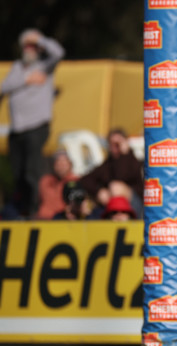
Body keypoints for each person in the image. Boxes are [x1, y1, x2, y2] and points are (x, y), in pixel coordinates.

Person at [1, 29, 65, 217]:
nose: (30, 49)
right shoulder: (17, 69)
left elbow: (59, 53)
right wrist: (26, 79)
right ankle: (21, 209)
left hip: (36, 126)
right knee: (18, 173)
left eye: (34, 46)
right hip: (17, 128)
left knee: (32, 171)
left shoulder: (45, 66)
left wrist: (40, 38)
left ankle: (35, 210)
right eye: (27, 45)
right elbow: (3, 87)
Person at [78, 128, 144, 218]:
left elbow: (121, 176)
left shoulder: (135, 162)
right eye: (112, 144)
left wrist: (124, 154)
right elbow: (85, 180)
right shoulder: (107, 165)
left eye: (118, 143)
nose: (116, 147)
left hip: (135, 205)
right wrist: (99, 191)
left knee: (116, 187)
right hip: (110, 205)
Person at [36, 149, 78, 219]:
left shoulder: (75, 181)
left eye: (64, 163)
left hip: (63, 220)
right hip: (44, 220)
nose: (61, 166)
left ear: (70, 164)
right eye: (58, 163)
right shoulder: (45, 181)